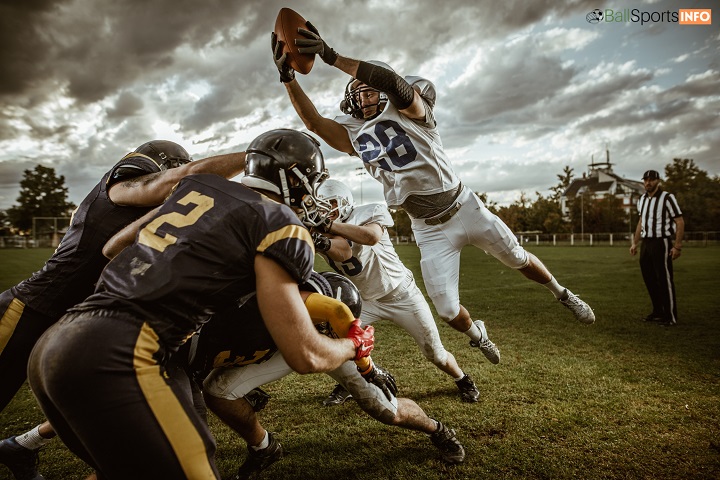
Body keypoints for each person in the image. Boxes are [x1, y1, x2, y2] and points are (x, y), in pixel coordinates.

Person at [25, 129, 376, 479]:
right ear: (298, 179)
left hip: (55, 344)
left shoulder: (198, 187)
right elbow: (305, 355)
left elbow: (114, 247)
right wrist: (352, 345)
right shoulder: (282, 224)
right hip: (123, 352)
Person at [270, 22, 595, 361]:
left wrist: (332, 56)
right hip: (427, 228)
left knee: (516, 258)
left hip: (464, 206)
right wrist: (288, 78)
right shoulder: (354, 131)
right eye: (358, 92)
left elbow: (392, 81)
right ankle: (478, 334)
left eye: (368, 90)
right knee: (446, 310)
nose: (361, 97)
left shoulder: (413, 113)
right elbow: (314, 123)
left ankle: (561, 293)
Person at [0, 140, 247, 480]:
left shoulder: (148, 217)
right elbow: (184, 177)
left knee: (123, 447)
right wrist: (258, 158)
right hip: (28, 311)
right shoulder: (120, 187)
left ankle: (20, 448)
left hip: (72, 330)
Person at [190, 271, 464, 479]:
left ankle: (436, 428)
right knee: (218, 391)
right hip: (287, 344)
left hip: (332, 350)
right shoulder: (282, 297)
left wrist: (369, 368)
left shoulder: (336, 331)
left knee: (386, 409)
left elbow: (340, 334)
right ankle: (264, 448)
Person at [311, 179, 483, 405]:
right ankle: (349, 384)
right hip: (364, 300)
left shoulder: (369, 212)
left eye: (330, 204)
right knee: (337, 341)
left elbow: (370, 237)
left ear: (345, 203)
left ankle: (462, 379)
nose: (326, 211)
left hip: (401, 294)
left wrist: (326, 228)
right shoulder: (319, 231)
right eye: (321, 206)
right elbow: (336, 250)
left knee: (435, 353)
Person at [630, 169, 684, 326]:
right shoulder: (642, 200)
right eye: (646, 180)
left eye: (651, 179)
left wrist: (677, 246)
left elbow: (679, 221)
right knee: (650, 279)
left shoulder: (667, 198)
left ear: (658, 181)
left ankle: (670, 316)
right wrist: (635, 242)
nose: (648, 182)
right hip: (646, 243)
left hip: (661, 242)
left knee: (664, 279)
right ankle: (658, 311)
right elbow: (641, 222)